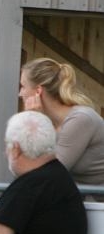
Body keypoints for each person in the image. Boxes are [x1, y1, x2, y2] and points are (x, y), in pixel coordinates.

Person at [19, 57, 104, 189]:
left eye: (23, 86)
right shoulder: (51, 125)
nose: (20, 93)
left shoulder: (80, 119)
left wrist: (34, 122)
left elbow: (47, 175)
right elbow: (24, 169)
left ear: (38, 91)